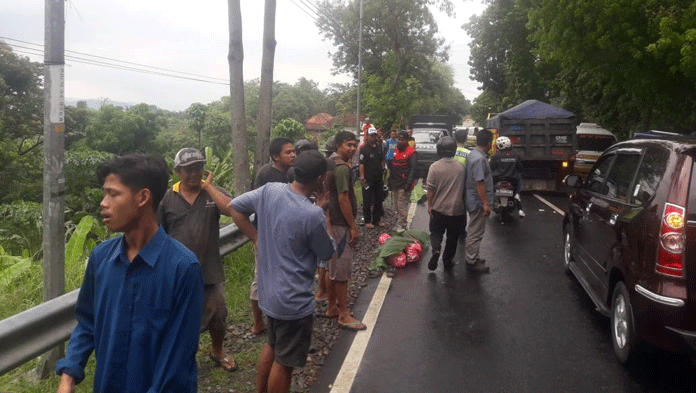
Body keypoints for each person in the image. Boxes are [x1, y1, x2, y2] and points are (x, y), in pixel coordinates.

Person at [56, 154, 203, 393]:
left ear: (143, 197)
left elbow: (176, 361)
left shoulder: (183, 268)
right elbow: (87, 322)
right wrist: (68, 375)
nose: (103, 202)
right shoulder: (101, 259)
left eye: (113, 194)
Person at [229, 150, 335, 393]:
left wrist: (255, 238)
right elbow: (326, 252)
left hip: (269, 293)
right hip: (293, 301)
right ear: (320, 179)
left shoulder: (270, 190)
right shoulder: (312, 214)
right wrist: (324, 210)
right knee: (285, 364)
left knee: (273, 345)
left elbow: (235, 207)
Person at [157, 148, 237, 371]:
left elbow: (231, 210)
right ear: (178, 171)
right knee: (180, 318)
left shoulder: (211, 192)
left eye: (198, 168)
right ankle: (182, 357)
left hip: (209, 267)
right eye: (189, 169)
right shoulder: (167, 198)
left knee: (218, 313)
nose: (194, 173)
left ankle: (217, 350)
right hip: (177, 273)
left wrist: (209, 187)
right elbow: (158, 233)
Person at [250, 137, 296, 335]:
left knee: (285, 274)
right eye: (288, 152)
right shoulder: (266, 174)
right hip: (267, 233)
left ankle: (281, 314)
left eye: (294, 151)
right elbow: (256, 204)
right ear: (275, 156)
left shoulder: (293, 173)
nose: (293, 155)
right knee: (261, 276)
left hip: (288, 232)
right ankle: (258, 322)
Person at [324, 131, 366, 330]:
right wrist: (353, 226)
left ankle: (332, 307)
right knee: (342, 269)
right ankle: (343, 314)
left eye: (354, 145)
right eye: (349, 145)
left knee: (332, 267)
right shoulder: (341, 168)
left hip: (329, 221)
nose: (352, 148)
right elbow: (343, 198)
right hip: (340, 224)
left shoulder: (329, 162)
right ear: (339, 145)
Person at [426, 136, 467, 271]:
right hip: (457, 210)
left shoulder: (434, 167)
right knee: (452, 237)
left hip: (438, 209)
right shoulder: (461, 167)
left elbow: (430, 190)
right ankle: (447, 261)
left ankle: (436, 250)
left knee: (436, 233)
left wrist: (430, 205)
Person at [464, 129, 494, 273]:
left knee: (474, 229)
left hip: (472, 198)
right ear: (489, 143)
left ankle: (473, 256)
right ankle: (471, 260)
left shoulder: (473, 154)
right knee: (475, 231)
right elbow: (479, 182)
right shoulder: (479, 159)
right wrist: (486, 203)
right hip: (477, 201)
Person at [490, 136, 525, 217]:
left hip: (497, 178)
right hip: (512, 179)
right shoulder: (515, 155)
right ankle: (517, 194)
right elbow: (520, 168)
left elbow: (491, 167)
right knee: (519, 177)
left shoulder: (496, 156)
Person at [389, 130, 417, 230]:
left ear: (407, 140)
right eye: (398, 139)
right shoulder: (394, 149)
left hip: (404, 182)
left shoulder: (411, 152)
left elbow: (413, 169)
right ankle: (400, 220)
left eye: (402, 140)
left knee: (402, 204)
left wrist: (409, 183)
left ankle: (402, 224)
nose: (400, 141)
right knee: (396, 205)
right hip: (395, 181)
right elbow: (390, 163)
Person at [359, 127, 386, 228]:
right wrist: (362, 177)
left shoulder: (379, 146)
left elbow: (381, 159)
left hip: (378, 178)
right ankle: (367, 221)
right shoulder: (364, 149)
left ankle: (376, 220)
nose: (373, 137)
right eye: (371, 136)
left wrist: (383, 169)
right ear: (368, 136)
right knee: (367, 200)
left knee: (378, 200)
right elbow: (361, 164)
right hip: (368, 178)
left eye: (375, 135)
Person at [453, 128, 471, 256]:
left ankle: (451, 227)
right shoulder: (469, 153)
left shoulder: (450, 151)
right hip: (463, 184)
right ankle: (461, 229)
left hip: (451, 182)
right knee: (462, 206)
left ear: (455, 138)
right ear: (466, 139)